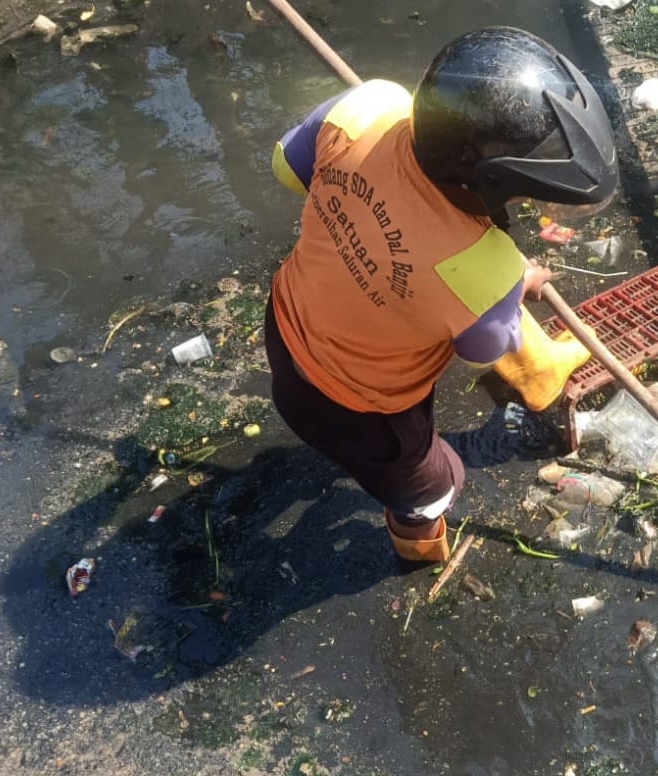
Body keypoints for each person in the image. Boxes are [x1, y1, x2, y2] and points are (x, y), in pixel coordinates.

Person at [264, 27, 618, 565]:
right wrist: (517, 283)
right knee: (434, 486)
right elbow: (483, 348)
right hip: (361, 407)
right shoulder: (483, 268)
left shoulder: (371, 106)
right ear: (480, 184)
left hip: (287, 323)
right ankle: (419, 549)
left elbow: (289, 168)